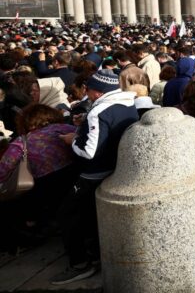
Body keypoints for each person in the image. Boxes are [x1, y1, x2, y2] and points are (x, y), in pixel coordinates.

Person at [52, 69, 138, 285]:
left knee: (67, 214)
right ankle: (95, 252)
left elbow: (90, 151)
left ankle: (80, 264)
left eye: (87, 89)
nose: (85, 93)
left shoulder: (98, 111)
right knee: (89, 214)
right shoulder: (127, 102)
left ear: (96, 92)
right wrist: (84, 124)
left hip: (95, 172)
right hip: (116, 168)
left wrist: (72, 139)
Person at [0, 105, 78, 245]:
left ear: (25, 121)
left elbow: (3, 169)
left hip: (43, 189)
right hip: (72, 181)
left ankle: (31, 230)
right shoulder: (65, 129)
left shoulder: (22, 142)